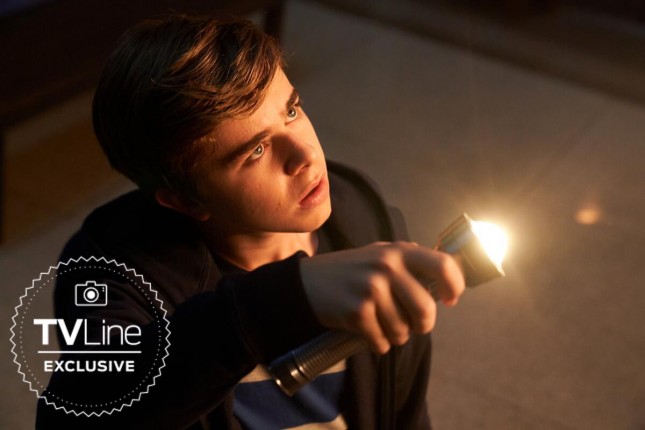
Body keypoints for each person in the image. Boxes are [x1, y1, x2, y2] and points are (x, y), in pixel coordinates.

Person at [35, 14, 465, 429]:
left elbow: (403, 412)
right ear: (186, 199)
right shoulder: (114, 271)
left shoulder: (362, 217)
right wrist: (288, 298)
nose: (305, 155)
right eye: (256, 151)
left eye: (291, 111)